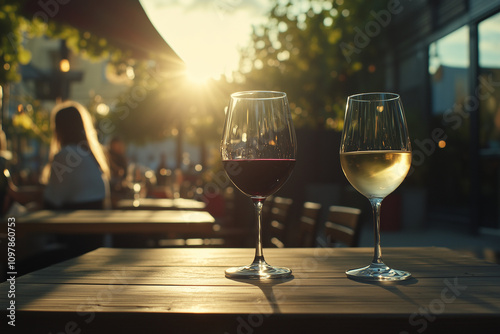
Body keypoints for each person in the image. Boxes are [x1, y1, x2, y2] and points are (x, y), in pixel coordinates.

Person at [41, 101, 110, 210]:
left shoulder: (66, 154)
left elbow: (53, 200)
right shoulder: (88, 155)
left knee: (13, 219)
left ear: (59, 129)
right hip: (93, 221)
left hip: (77, 222)